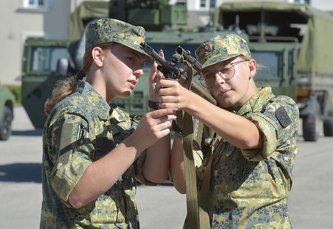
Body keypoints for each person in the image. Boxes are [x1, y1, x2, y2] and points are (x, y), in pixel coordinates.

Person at [40, 18, 176, 228]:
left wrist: (157, 105)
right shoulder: (73, 113)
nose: (139, 71)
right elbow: (76, 192)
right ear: (98, 56)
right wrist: (136, 142)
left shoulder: (117, 119)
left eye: (142, 64)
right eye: (131, 58)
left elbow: (154, 174)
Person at [157, 34, 299, 228]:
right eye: (209, 76)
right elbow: (183, 184)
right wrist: (183, 120)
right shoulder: (212, 119)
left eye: (226, 70)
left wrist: (191, 101)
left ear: (251, 68)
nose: (218, 81)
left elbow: (251, 137)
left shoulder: (280, 106)